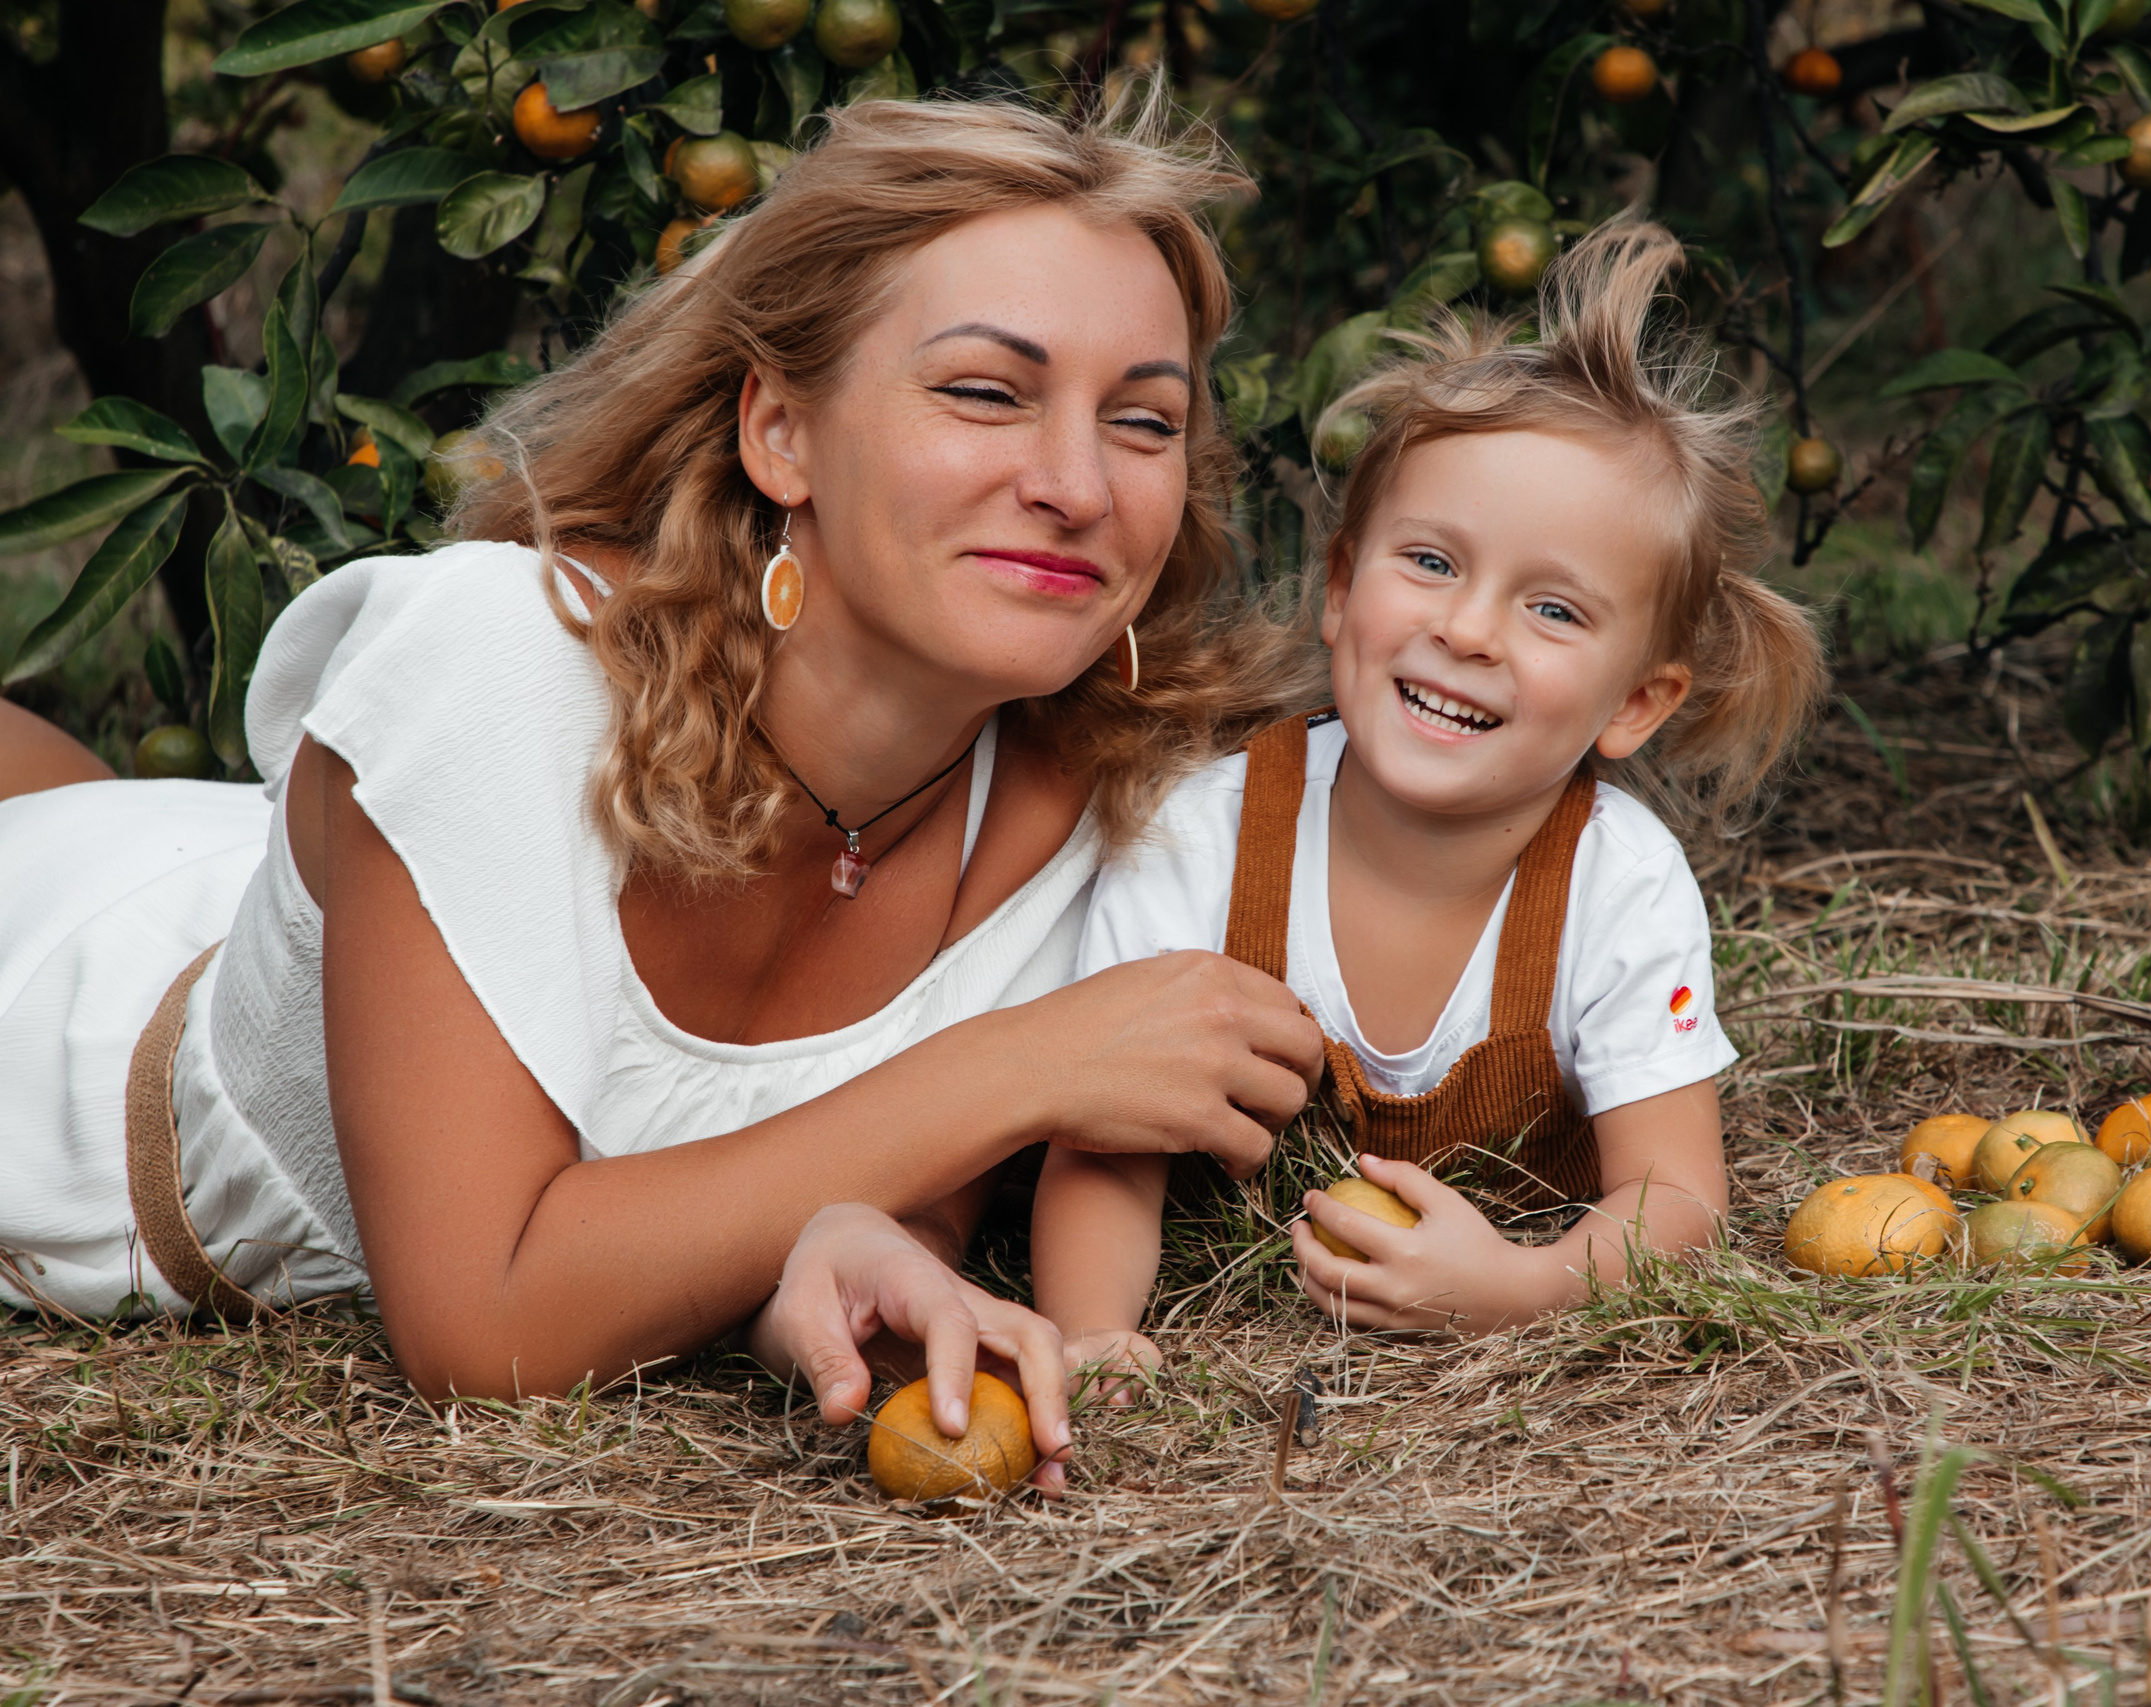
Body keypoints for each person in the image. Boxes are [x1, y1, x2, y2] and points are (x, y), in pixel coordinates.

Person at [0, 90, 1329, 1490]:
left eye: (1144, 420)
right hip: (60, 1000)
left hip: (267, 885)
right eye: (986, 391)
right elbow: (483, 1322)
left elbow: (809, 1184)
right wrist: (1032, 1061)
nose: (1077, 484)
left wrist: (846, 1250)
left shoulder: (1100, 813)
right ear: (783, 436)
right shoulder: (505, 662)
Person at [1029, 221, 1827, 1370]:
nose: (1464, 629)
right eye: (1433, 563)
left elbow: (1672, 1198)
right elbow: (1104, 1145)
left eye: (1552, 610)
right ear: (1343, 588)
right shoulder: (1199, 838)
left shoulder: (1617, 883)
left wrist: (1516, 1286)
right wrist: (1091, 1330)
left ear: (1634, 704)